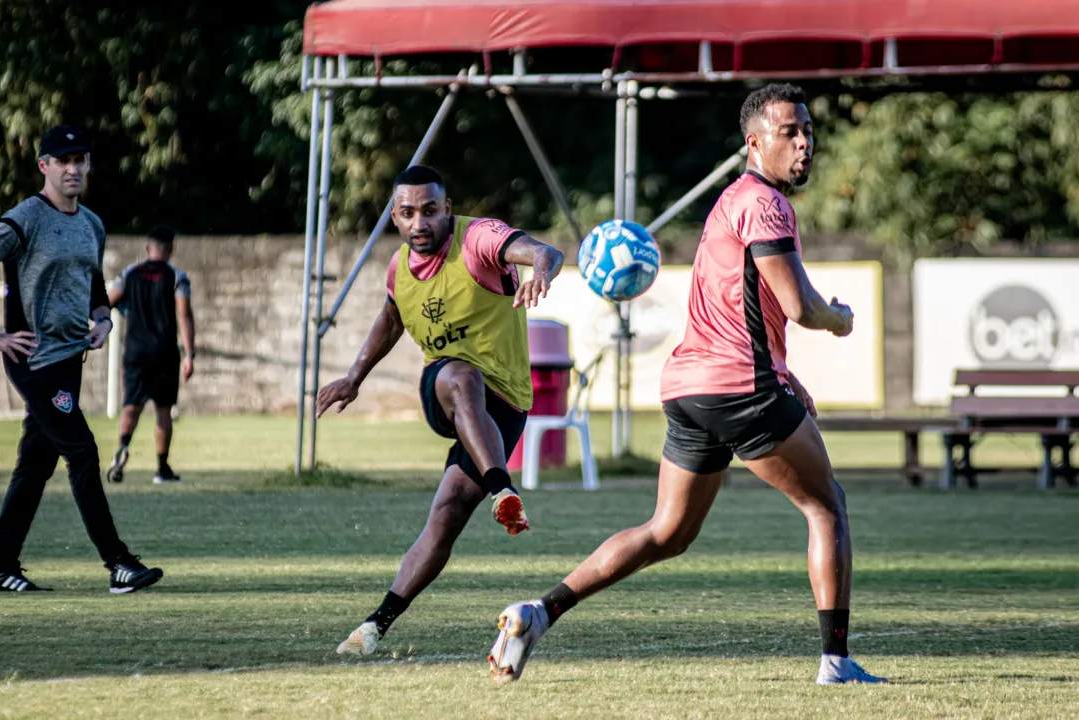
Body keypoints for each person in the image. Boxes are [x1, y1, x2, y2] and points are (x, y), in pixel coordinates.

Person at [488, 84, 888, 686]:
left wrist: (786, 374)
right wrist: (839, 320)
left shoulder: (730, 204)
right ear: (754, 143)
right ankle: (836, 661)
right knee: (826, 505)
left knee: (666, 533)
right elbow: (799, 306)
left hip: (692, 389)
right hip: (740, 387)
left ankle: (539, 611)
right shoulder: (765, 205)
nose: (805, 143)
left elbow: (740, 308)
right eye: (790, 133)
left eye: (808, 131)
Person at [317, 164, 564, 657]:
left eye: (430, 210)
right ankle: (503, 490)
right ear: (394, 216)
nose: (419, 222)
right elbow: (390, 320)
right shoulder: (398, 269)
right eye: (407, 213)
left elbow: (545, 251)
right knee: (461, 374)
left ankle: (373, 627)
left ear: (447, 209)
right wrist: (353, 377)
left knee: (447, 514)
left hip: (507, 404)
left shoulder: (477, 239)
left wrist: (539, 268)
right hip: (446, 389)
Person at [0, 125, 164, 593]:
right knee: (82, 450)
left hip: (70, 359)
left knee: (35, 463)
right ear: (44, 167)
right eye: (63, 160)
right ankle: (118, 563)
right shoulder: (23, 220)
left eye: (81, 160)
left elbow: (96, 291)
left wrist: (104, 322)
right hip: (34, 359)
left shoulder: (91, 223)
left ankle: (1, 561)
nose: (73, 169)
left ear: (89, 165)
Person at [105, 224, 195, 485]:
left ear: (148, 249)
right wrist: (189, 353)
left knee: (131, 405)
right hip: (164, 353)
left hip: (134, 352)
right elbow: (184, 314)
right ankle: (162, 468)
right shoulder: (177, 277)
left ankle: (123, 446)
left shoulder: (129, 274)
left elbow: (106, 302)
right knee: (163, 410)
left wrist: (121, 309)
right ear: (171, 250)